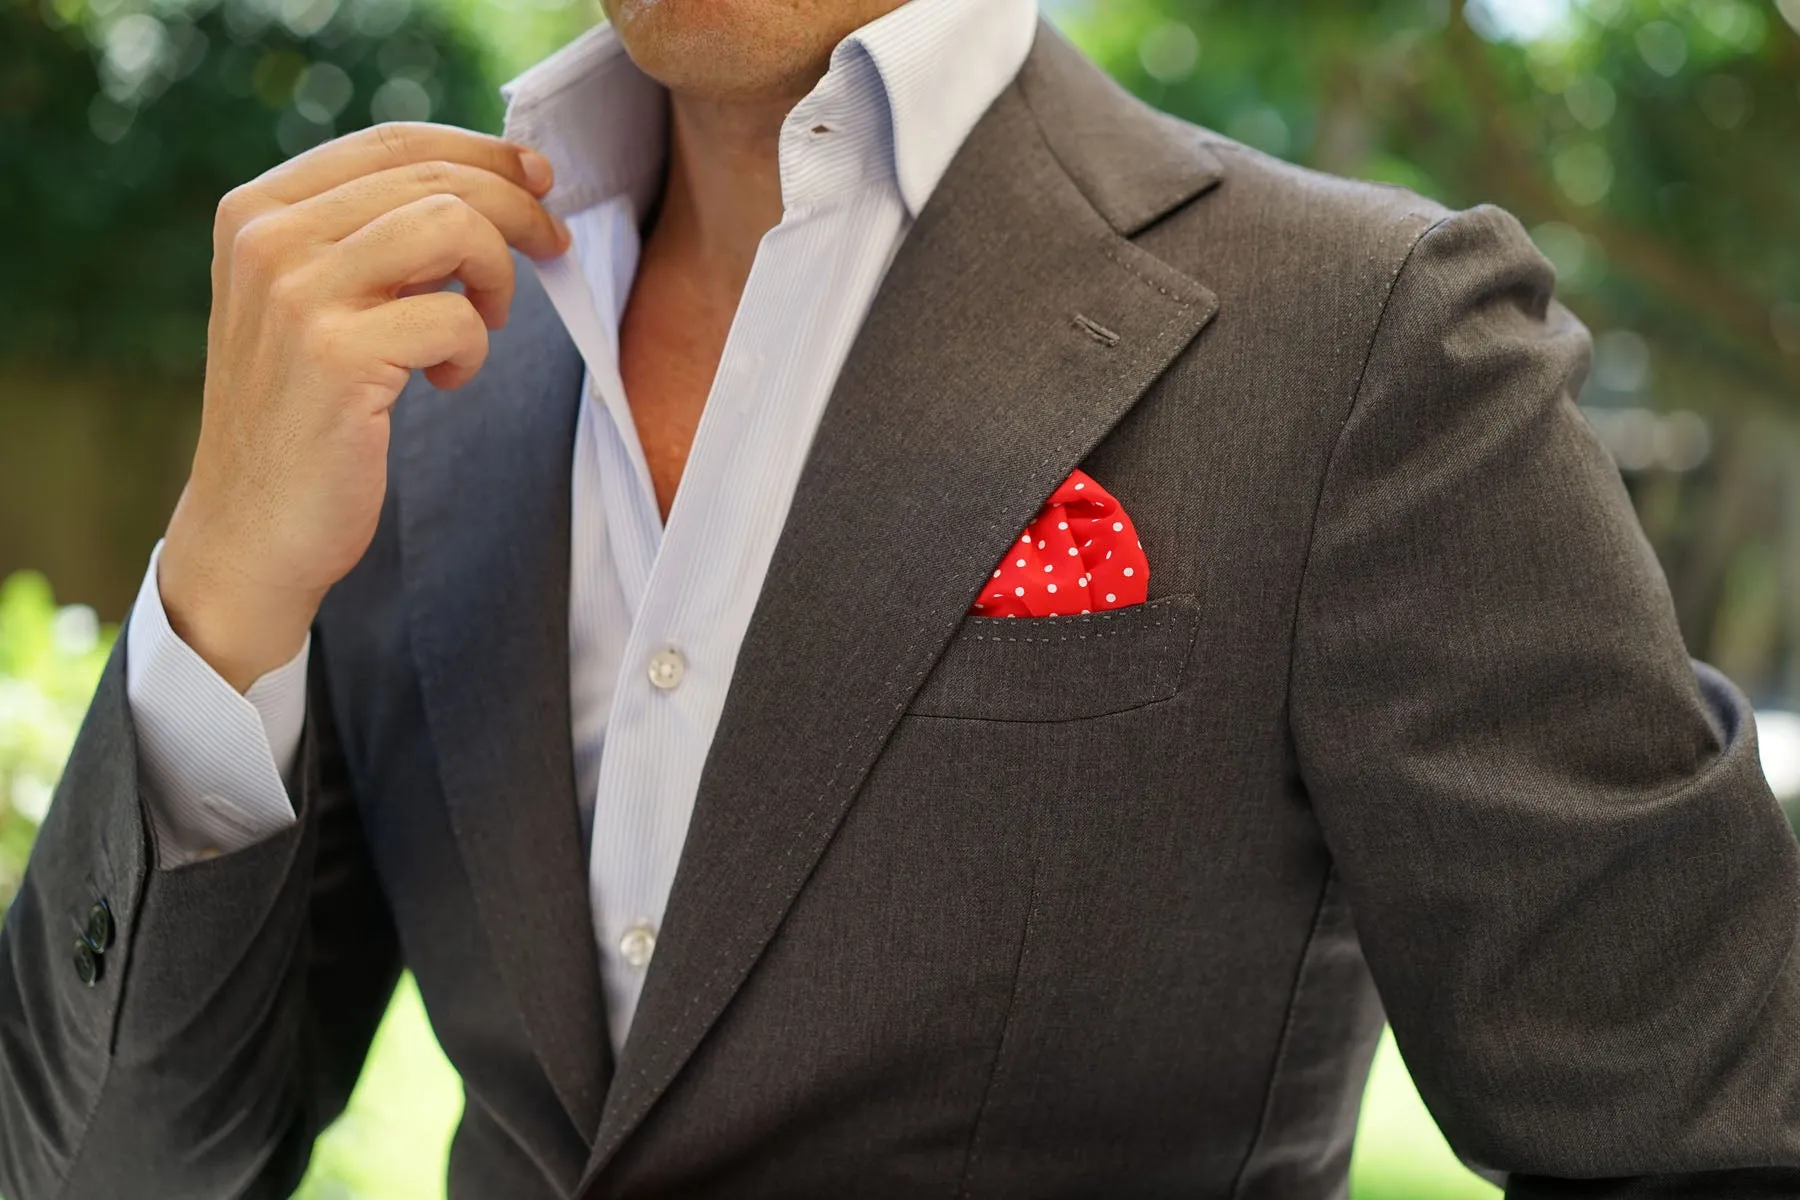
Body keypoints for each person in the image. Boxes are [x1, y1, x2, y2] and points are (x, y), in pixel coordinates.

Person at [5, 0, 1800, 1194]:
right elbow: (123, 1165)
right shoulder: (421, 381)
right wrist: (215, 607)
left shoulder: (1363, 340)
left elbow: (1713, 1135)